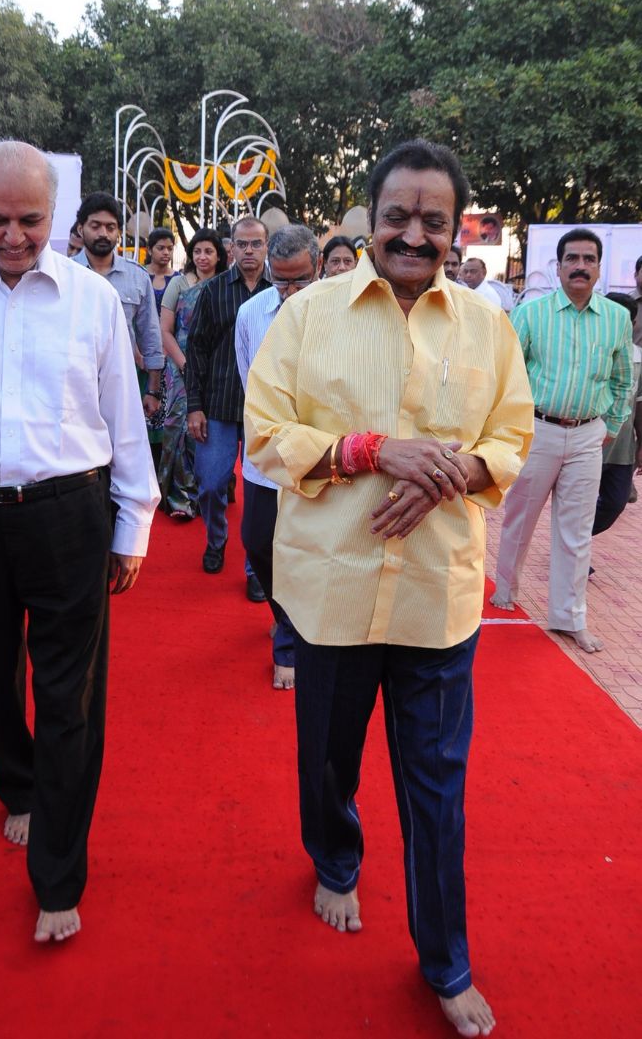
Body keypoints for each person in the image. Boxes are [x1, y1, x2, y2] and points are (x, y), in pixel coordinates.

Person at [245, 138, 533, 1038]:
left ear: (455, 230)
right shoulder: (308, 315)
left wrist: (454, 471)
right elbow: (266, 434)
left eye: (433, 221)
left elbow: (511, 438)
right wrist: (373, 451)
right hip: (331, 590)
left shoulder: (488, 325)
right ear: (371, 219)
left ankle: (447, 960)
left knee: (438, 786)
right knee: (329, 760)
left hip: (436, 597)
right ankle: (336, 859)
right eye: (398, 216)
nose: (414, 234)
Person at [0, 140, 159, 943]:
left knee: (71, 696)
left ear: (58, 215)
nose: (13, 236)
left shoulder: (92, 300)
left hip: (71, 514)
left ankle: (58, 874)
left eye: (31, 220)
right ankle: (16, 782)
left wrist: (134, 521)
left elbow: (124, 418)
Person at [491, 228, 633, 653]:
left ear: (599, 268)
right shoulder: (531, 314)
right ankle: (505, 590)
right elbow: (506, 373)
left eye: (589, 259)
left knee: (576, 531)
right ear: (558, 266)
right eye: (572, 258)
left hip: (589, 434)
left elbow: (623, 379)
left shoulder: (616, 318)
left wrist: (611, 425)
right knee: (520, 517)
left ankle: (569, 618)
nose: (580, 266)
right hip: (538, 430)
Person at [236, 224, 320, 689]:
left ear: (318, 268)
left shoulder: (338, 314)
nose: (288, 292)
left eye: (299, 281)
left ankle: (289, 641)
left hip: (321, 458)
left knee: (306, 552)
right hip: (266, 457)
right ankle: (283, 615)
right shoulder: (251, 313)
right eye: (280, 281)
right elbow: (247, 378)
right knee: (257, 542)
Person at [186, 215, 272, 592]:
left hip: (265, 410)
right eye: (242, 244)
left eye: (257, 244)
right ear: (231, 248)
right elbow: (197, 350)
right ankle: (216, 539)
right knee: (210, 484)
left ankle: (256, 567)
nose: (249, 250)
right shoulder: (214, 291)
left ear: (266, 247)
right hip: (218, 404)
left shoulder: (280, 291)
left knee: (262, 491)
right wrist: (194, 406)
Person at [73, 192, 165, 431]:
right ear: (81, 229)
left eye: (110, 227)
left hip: (124, 381)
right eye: (95, 226)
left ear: (118, 232)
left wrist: (153, 390)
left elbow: (150, 335)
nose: (103, 233)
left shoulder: (137, 276)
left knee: (122, 443)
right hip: (73, 384)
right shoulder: (66, 274)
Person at [158, 229, 228, 520]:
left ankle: (208, 492)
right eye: (197, 251)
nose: (202, 257)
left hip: (216, 367)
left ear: (219, 256)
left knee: (210, 429)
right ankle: (180, 499)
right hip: (181, 365)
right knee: (179, 428)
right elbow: (165, 331)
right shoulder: (178, 283)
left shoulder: (225, 284)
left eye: (208, 251)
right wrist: (186, 366)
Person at [590, 293, 642, 539]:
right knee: (578, 505)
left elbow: (639, 404)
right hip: (588, 444)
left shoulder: (638, 359)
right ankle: (572, 547)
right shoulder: (590, 352)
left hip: (621, 448)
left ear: (632, 323)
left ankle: (575, 539)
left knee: (615, 503)